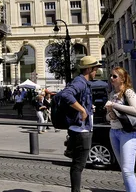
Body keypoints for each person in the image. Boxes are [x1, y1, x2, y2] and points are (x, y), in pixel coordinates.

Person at [60, 56, 101, 192]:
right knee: (78, 166)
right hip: (81, 131)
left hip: (78, 129)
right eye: (95, 69)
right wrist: (82, 109)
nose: (96, 72)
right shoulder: (81, 82)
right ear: (89, 69)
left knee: (77, 165)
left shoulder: (83, 82)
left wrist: (88, 108)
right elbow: (66, 94)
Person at [104, 67, 136, 192]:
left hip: (128, 133)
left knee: (127, 170)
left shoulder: (128, 92)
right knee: (123, 169)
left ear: (122, 79)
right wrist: (110, 114)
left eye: (114, 76)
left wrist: (114, 105)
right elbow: (108, 117)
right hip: (114, 131)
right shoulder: (111, 94)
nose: (111, 78)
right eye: (111, 76)